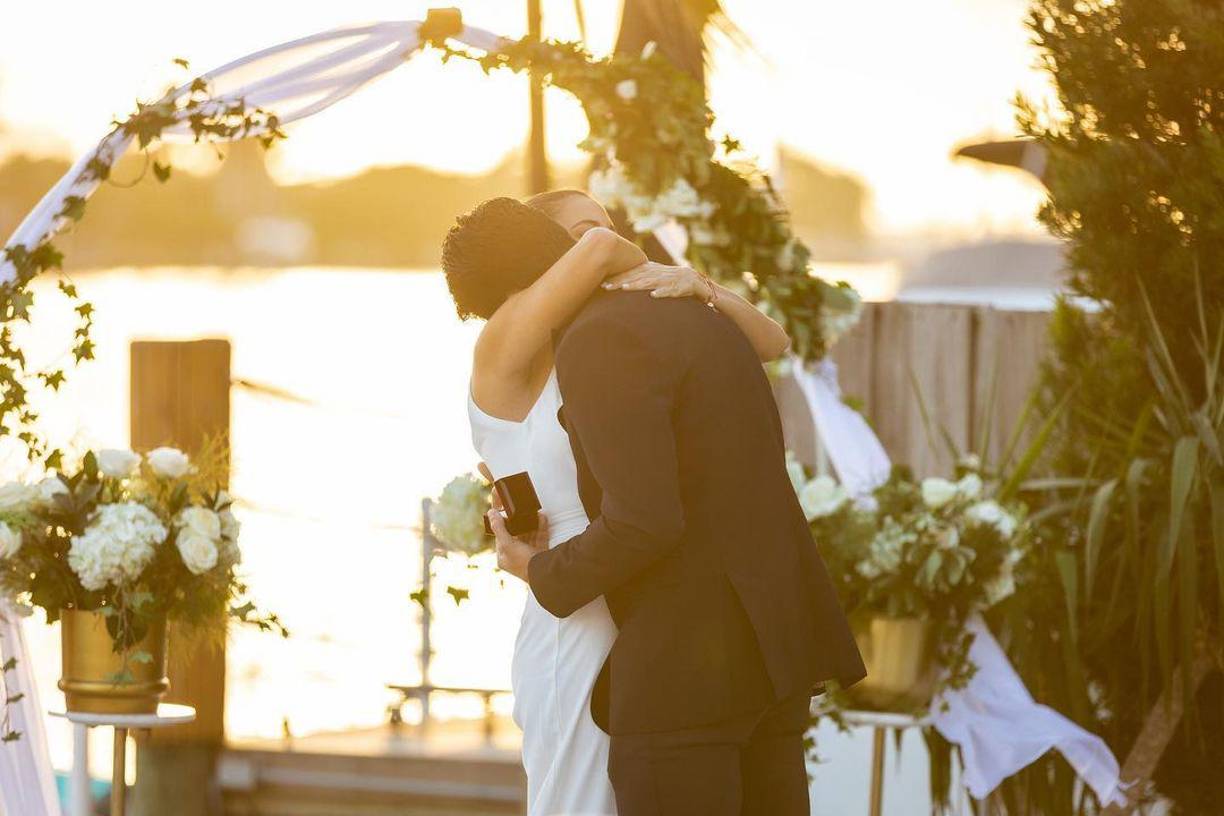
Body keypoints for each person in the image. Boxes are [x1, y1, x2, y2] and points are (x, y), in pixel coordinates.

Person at [443, 191, 794, 816]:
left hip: (639, 605)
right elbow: (604, 252)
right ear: (539, 249)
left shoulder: (603, 341)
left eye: (604, 227)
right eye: (574, 235)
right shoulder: (503, 344)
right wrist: (621, 258)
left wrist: (696, 284)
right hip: (571, 606)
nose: (598, 246)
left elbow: (770, 344)